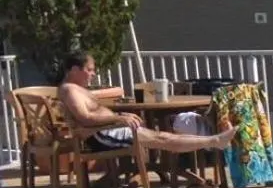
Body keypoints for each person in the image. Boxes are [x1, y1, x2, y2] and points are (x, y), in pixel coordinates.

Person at [57, 50, 235, 155]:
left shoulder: (77, 89)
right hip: (101, 136)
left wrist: (120, 115)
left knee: (163, 136)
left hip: (108, 131)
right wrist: (118, 119)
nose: (93, 74)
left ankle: (214, 141)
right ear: (74, 69)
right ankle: (214, 141)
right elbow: (85, 117)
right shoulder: (69, 90)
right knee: (161, 138)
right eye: (89, 70)